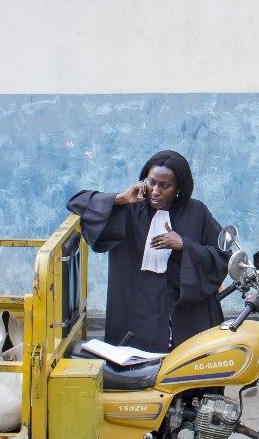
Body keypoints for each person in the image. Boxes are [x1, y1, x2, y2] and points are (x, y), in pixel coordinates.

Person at [67, 150, 230, 352]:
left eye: (165, 186)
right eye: (151, 182)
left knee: (191, 369)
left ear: (179, 187)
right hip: (137, 310)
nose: (155, 191)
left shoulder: (196, 212)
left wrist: (185, 245)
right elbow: (77, 203)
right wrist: (119, 198)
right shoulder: (128, 210)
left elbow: (222, 257)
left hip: (185, 314)